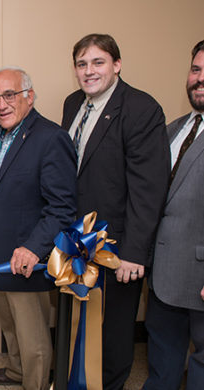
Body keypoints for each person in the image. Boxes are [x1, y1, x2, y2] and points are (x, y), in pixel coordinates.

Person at [61, 34, 170, 390]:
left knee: (114, 331)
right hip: (78, 244)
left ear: (117, 65)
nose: (89, 71)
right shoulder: (73, 103)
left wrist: (135, 252)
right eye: (82, 63)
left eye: (98, 62)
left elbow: (148, 188)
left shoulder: (141, 108)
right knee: (82, 323)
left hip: (117, 248)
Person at [0, 68, 77, 390]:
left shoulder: (51, 138)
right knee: (10, 326)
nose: (1, 104)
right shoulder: (0, 135)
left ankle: (34, 382)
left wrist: (34, 247)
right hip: (0, 256)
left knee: (33, 338)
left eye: (10, 95)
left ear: (29, 97)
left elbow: (62, 208)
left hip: (27, 259)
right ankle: (18, 372)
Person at [143, 40, 204, 390]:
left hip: (199, 274)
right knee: (162, 357)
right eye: (195, 69)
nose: (199, 79)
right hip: (163, 273)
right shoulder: (173, 129)